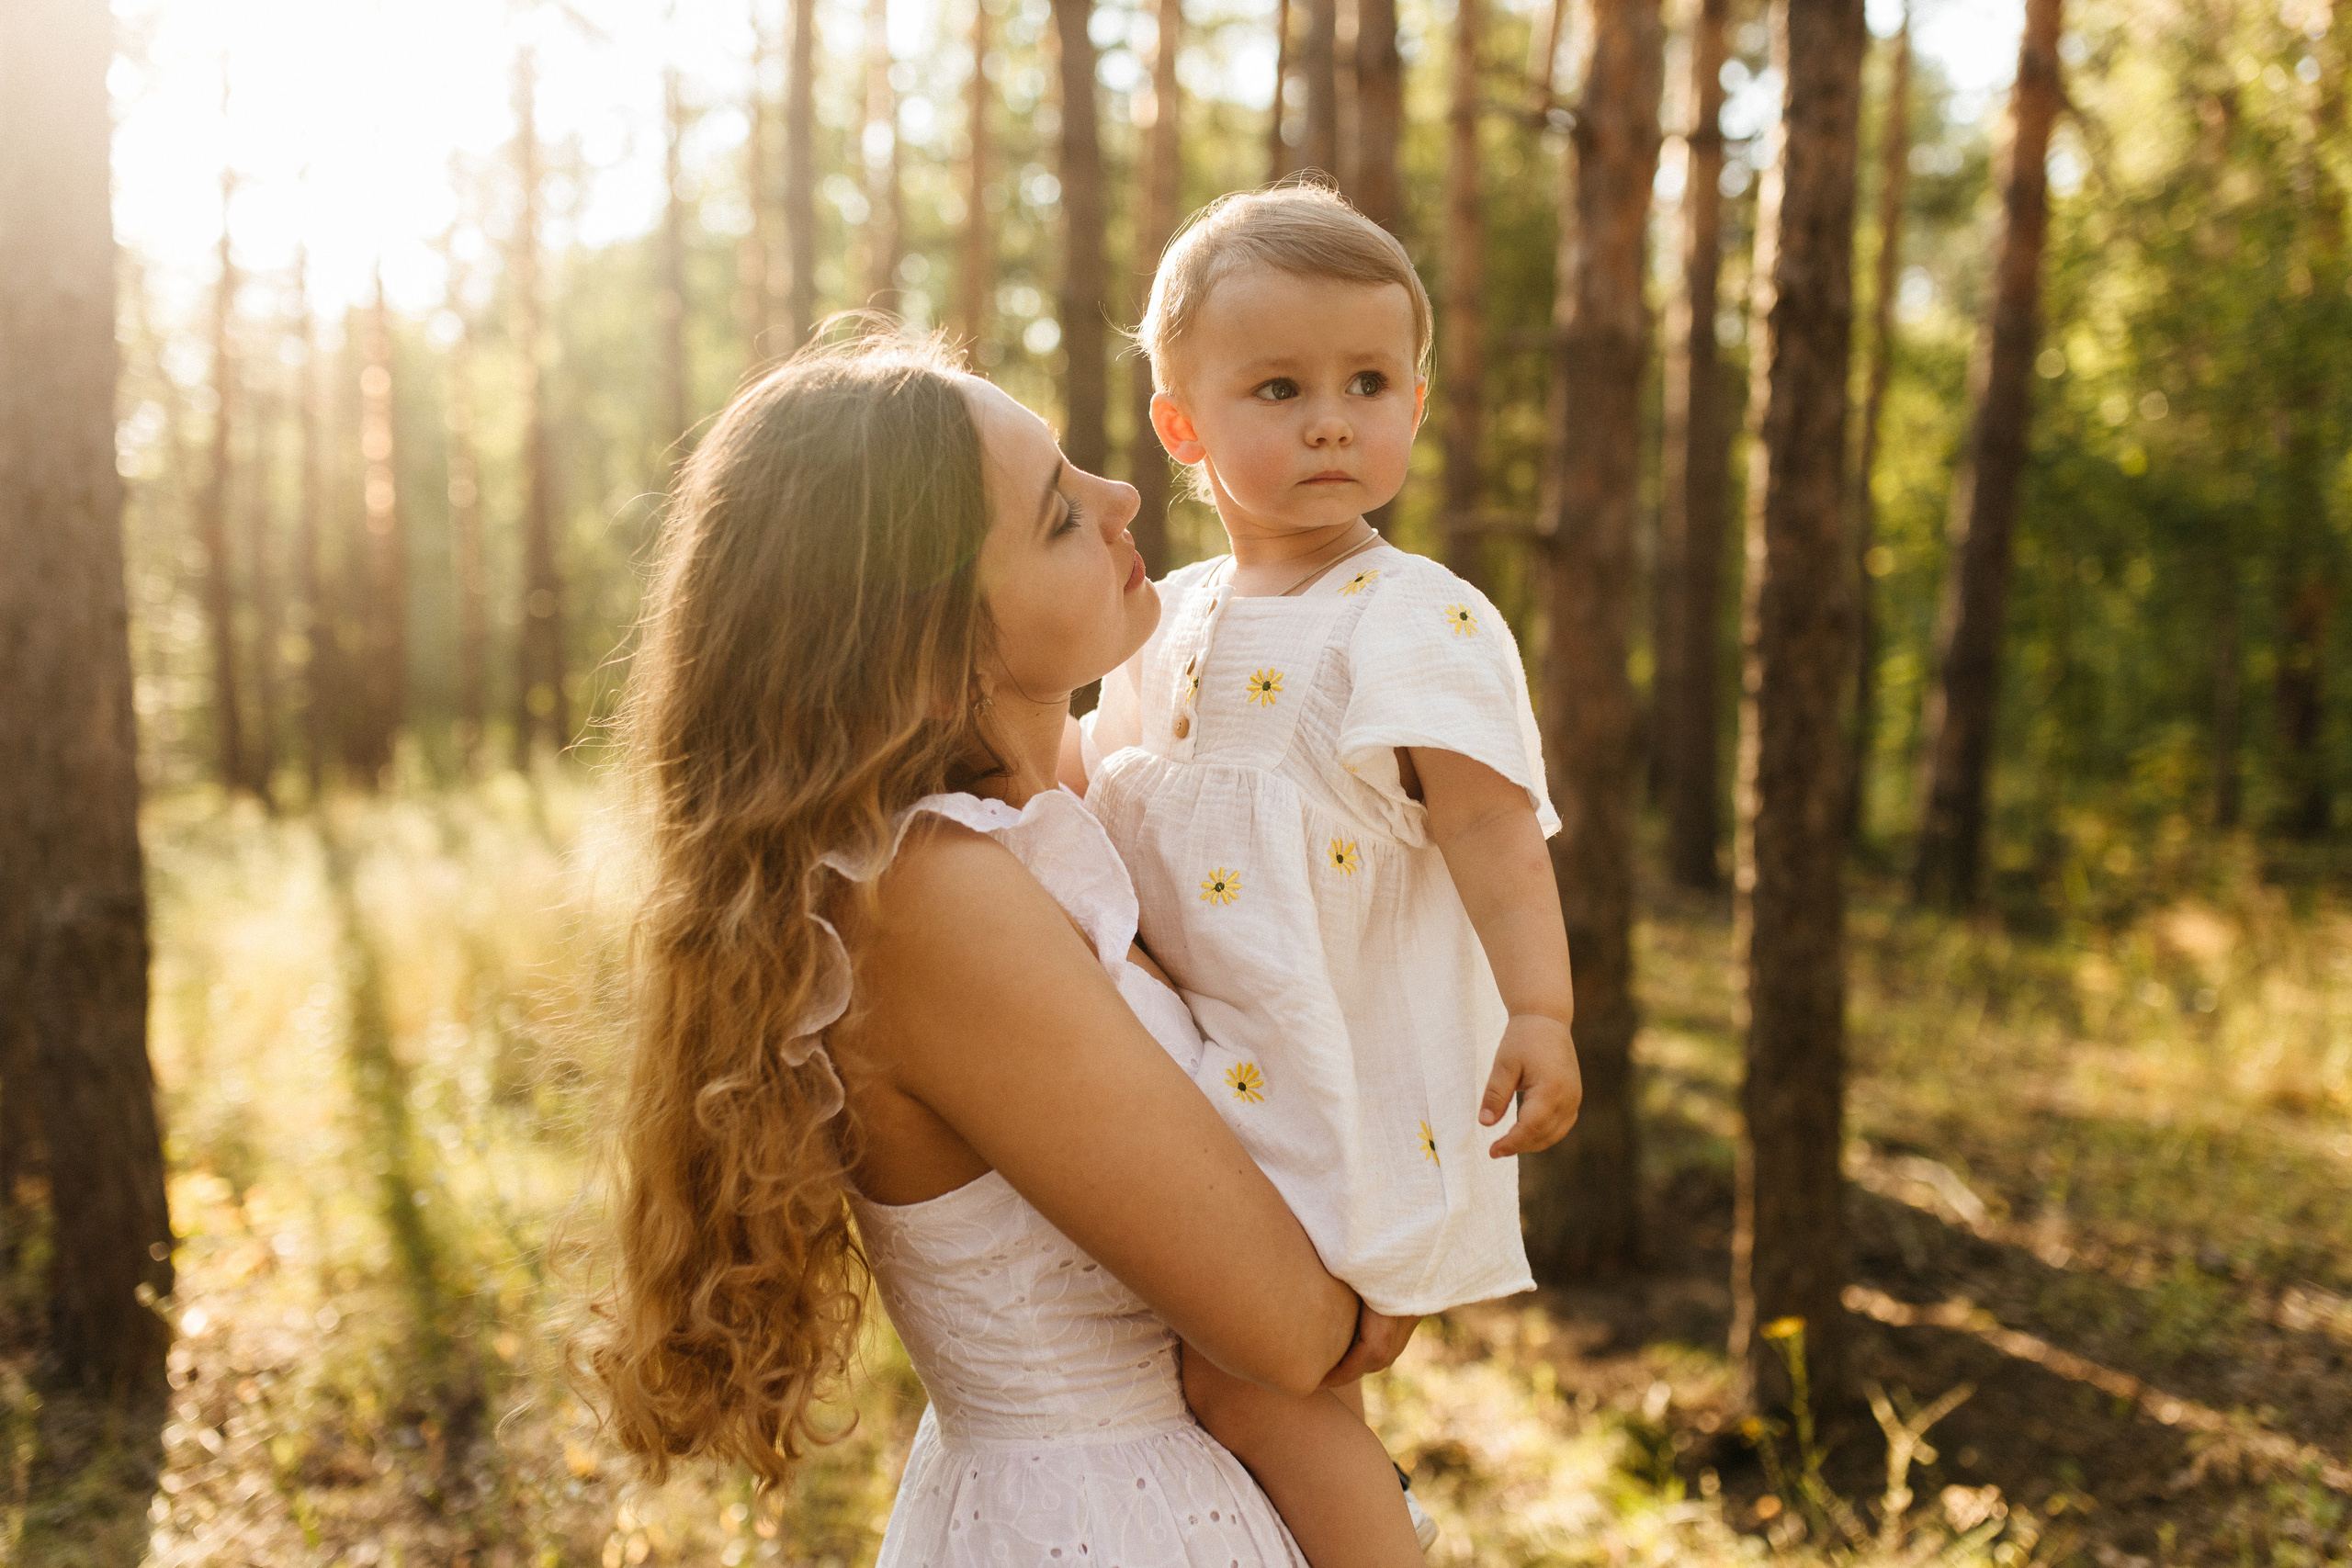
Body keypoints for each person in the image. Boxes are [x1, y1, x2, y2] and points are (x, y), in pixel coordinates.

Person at [581, 337, 1414, 1564]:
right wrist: (1408, 1228)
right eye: (1062, 513)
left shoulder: (1050, 822)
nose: (1126, 497)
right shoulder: (932, 900)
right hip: (1109, 1520)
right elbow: (1291, 1329)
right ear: (930, 653)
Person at [1068, 182, 1585, 1564]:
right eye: (1280, 388)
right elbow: (1078, 794)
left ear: (1418, 400)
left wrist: (1542, 1010)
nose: (1331, 421)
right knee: (1161, 1368)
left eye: (1369, 382)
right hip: (1176, 1065)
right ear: (1184, 425)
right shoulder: (1160, 621)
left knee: (1266, 1383)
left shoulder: (1415, 619)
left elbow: (1488, 829)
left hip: (1322, 1090)